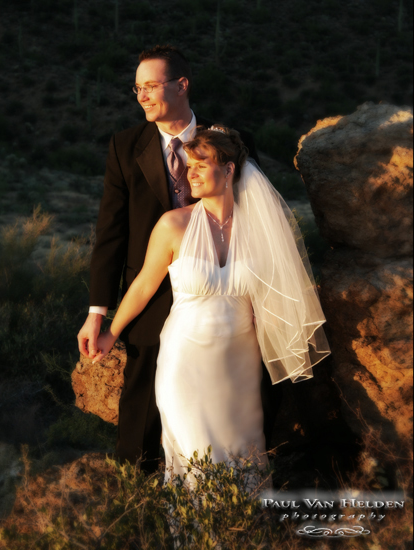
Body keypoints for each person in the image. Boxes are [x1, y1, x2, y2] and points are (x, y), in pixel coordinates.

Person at [92, 125, 331, 482]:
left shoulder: (260, 229)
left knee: (242, 453)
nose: (192, 174)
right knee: (191, 452)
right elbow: (143, 285)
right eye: (189, 167)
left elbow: (278, 290)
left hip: (240, 364)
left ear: (229, 169)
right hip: (183, 359)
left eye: (201, 165)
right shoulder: (173, 225)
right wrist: (110, 331)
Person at [76, 45, 265, 474]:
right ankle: (137, 511)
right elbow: (111, 233)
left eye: (151, 86)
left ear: (181, 85)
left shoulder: (234, 142)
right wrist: (97, 313)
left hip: (227, 300)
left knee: (235, 415)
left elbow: (258, 222)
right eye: (137, 88)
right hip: (150, 297)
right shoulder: (125, 147)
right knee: (140, 419)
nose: (142, 96)